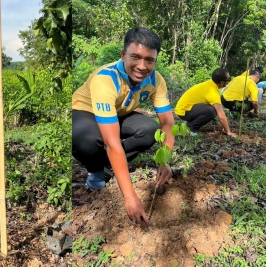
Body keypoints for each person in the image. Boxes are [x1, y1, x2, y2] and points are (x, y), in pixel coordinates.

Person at [72, 27, 174, 227]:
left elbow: (167, 124)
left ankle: (110, 165)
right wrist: (130, 197)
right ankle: (95, 171)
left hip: (117, 112)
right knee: (87, 138)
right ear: (123, 55)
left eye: (149, 60)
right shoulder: (106, 79)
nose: (142, 66)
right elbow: (112, 144)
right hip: (86, 112)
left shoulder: (156, 80)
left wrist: (166, 159)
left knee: (150, 130)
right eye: (135, 57)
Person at [175, 68, 237, 137]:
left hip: (184, 108)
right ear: (222, 83)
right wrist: (228, 131)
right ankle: (190, 128)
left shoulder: (210, 84)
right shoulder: (212, 92)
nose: (229, 82)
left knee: (212, 108)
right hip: (183, 111)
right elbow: (221, 115)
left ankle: (190, 122)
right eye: (228, 80)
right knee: (212, 111)